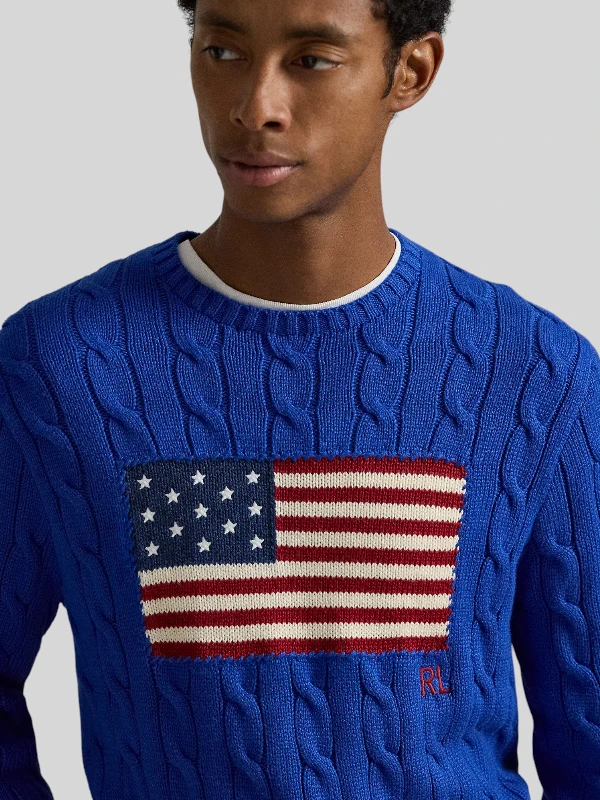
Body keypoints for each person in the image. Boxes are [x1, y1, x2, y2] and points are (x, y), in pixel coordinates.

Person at [0, 0, 598, 797]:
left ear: (411, 71)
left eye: (311, 60)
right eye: (222, 52)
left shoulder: (534, 373)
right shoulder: (59, 366)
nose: (256, 108)